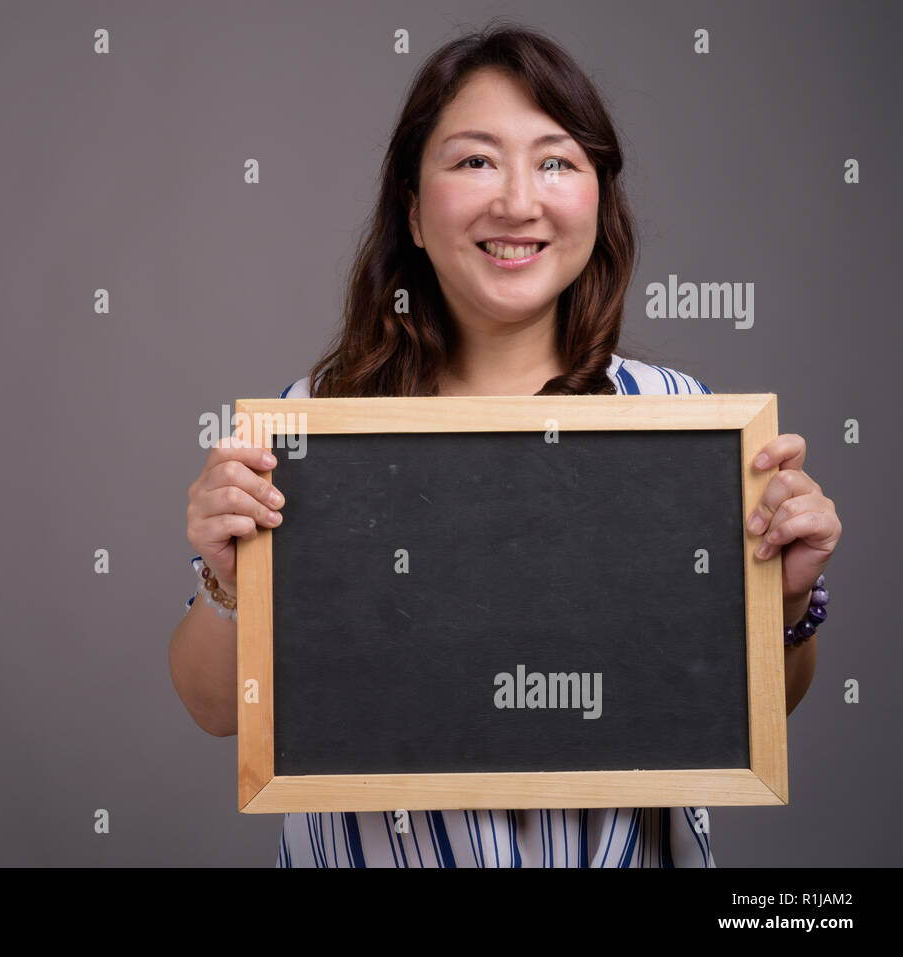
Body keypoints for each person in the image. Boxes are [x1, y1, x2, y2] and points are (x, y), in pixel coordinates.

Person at [168, 21, 840, 867]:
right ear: (413, 210)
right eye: (474, 160)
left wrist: (782, 601)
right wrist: (228, 582)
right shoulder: (317, 424)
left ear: (599, 198)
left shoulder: (681, 420)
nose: (518, 201)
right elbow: (217, 708)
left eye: (557, 161)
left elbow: (752, 707)